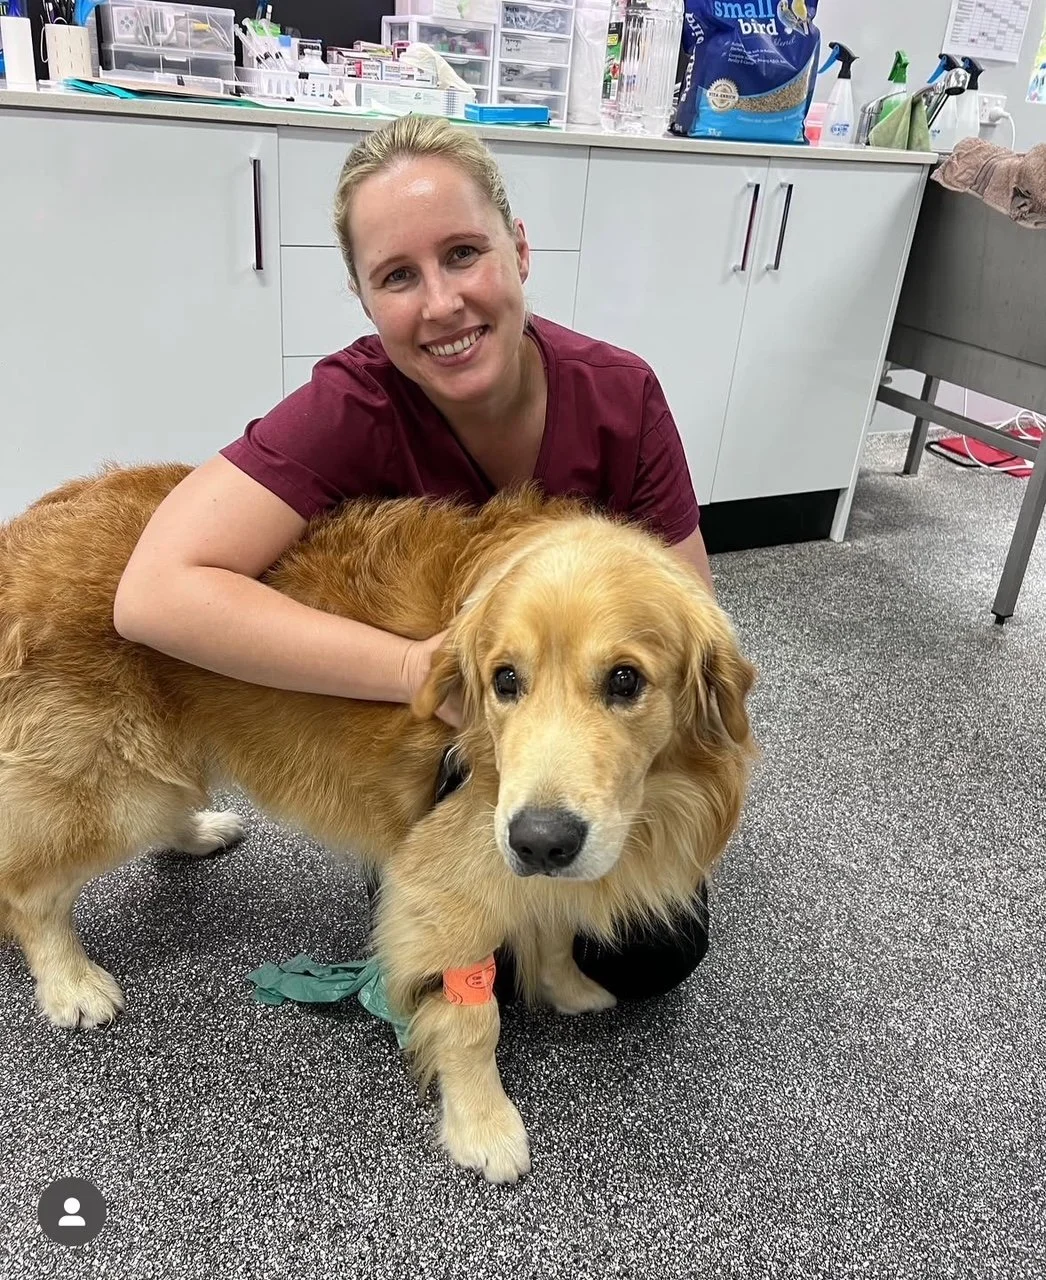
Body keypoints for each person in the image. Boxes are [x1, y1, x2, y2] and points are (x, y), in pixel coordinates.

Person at [113, 115, 714, 1003]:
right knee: (469, 932)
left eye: (464, 253)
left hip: (572, 725)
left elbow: (691, 619)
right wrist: (416, 667)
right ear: (364, 299)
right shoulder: (355, 404)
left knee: (651, 952)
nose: (440, 304)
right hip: (421, 743)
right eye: (399, 276)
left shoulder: (619, 394)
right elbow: (154, 593)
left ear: (518, 249)